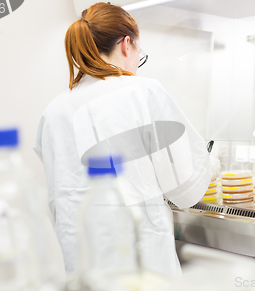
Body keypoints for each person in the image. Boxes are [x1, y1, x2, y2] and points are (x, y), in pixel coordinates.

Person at [33, 2, 220, 277]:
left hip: (82, 267)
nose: (136, 64)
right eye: (138, 55)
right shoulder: (142, 92)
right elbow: (185, 190)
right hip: (142, 264)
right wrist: (212, 165)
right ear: (126, 44)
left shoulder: (53, 111)